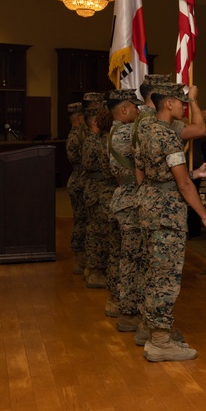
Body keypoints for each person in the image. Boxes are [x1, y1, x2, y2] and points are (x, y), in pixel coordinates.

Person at [134, 81, 206, 362]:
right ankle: (159, 341)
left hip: (149, 205)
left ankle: (149, 329)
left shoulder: (144, 129)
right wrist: (205, 216)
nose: (183, 105)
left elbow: (143, 170)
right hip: (166, 213)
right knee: (165, 277)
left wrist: (191, 174)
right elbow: (183, 185)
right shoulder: (167, 136)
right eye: (180, 101)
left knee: (152, 271)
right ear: (168, 104)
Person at [106, 88, 144, 331]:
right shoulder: (126, 132)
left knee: (121, 256)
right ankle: (129, 313)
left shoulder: (116, 130)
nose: (139, 111)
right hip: (131, 201)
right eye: (135, 107)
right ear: (123, 109)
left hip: (122, 199)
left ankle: (117, 303)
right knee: (133, 260)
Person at [81, 92, 113, 289]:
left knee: (95, 230)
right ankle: (95, 271)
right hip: (98, 190)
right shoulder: (97, 140)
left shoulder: (94, 138)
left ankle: (92, 268)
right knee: (99, 232)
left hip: (95, 189)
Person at [65, 102, 88, 274]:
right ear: (79, 118)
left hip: (77, 180)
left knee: (80, 220)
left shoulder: (77, 135)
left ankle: (81, 258)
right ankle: (80, 259)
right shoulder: (77, 137)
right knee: (81, 221)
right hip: (80, 181)